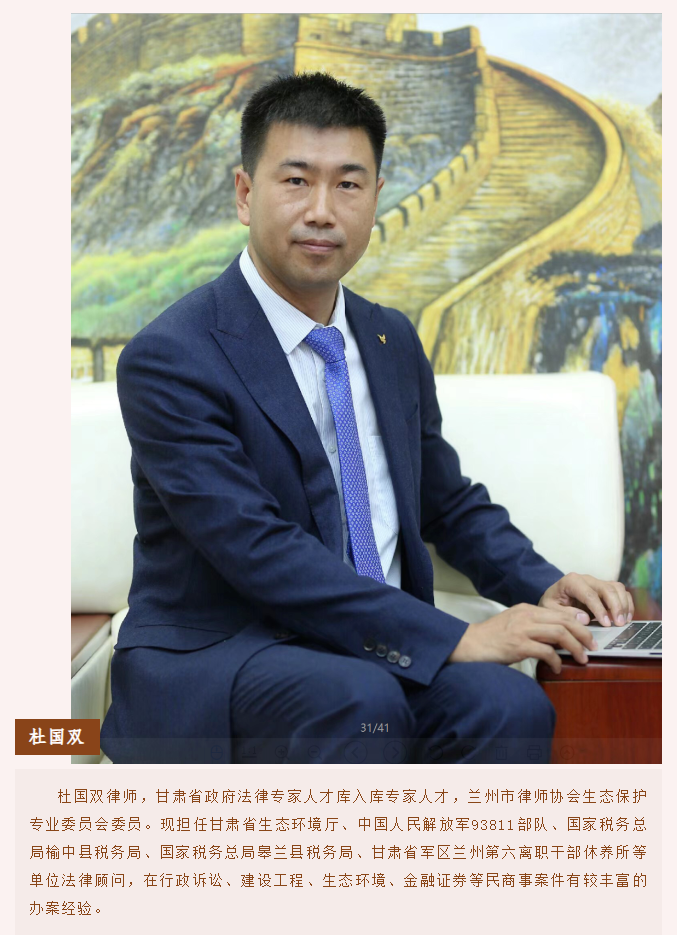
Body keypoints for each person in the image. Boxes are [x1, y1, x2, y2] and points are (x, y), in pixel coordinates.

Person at [100, 73, 634, 765]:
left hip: (371, 650)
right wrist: (451, 637)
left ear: (376, 198)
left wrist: (541, 583)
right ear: (244, 193)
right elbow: (254, 547)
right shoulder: (171, 355)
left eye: (348, 185)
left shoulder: (388, 338)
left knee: (507, 705)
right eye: (296, 181)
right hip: (228, 657)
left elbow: (445, 502)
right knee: (360, 701)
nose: (322, 211)